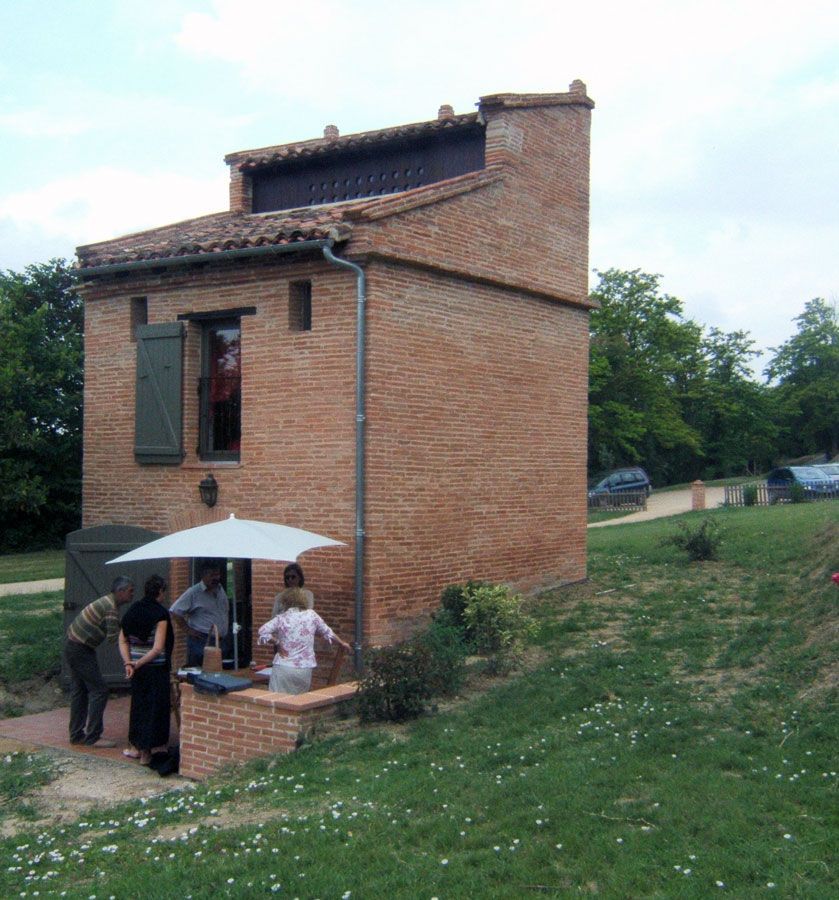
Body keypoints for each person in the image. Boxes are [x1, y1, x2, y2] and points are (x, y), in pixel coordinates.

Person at [64, 575, 135, 748]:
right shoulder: (110, 608)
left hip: (74, 645)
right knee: (100, 690)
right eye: (130, 591)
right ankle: (93, 737)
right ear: (120, 591)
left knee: (80, 691)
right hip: (80, 649)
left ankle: (76, 735)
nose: (132, 595)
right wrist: (132, 648)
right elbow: (114, 639)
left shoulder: (107, 602)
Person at [119, 574, 173, 766]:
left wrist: (129, 663)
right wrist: (139, 663)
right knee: (155, 709)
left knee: (139, 707)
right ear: (160, 592)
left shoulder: (132, 610)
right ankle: (148, 754)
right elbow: (158, 648)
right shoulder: (160, 615)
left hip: (136, 670)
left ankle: (136, 747)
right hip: (155, 669)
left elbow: (123, 640)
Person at [257, 587, 351, 694]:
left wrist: (277, 643)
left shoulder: (282, 618)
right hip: (305, 668)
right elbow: (327, 631)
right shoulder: (312, 615)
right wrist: (342, 642)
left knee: (276, 702)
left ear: (285, 601)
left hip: (283, 666)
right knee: (299, 704)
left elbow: (262, 631)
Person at [169, 561, 229, 667]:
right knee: (200, 674)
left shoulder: (220, 589)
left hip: (220, 641)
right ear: (204, 575)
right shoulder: (194, 592)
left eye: (217, 575)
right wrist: (187, 630)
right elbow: (175, 611)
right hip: (201, 642)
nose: (216, 578)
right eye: (212, 575)